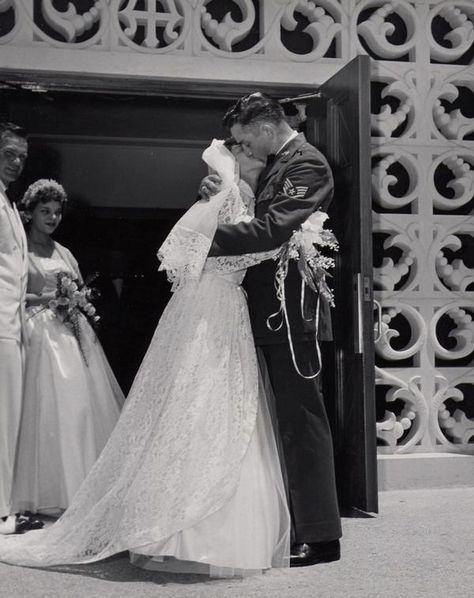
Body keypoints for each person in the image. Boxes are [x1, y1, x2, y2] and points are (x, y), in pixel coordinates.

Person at [0, 139, 290, 577]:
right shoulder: (231, 197)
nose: (261, 158)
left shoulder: (234, 197)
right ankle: (183, 531)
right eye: (251, 152)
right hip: (213, 306)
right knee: (202, 406)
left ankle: (191, 531)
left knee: (210, 408)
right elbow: (210, 251)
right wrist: (290, 239)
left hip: (220, 306)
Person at [200, 93, 342, 567]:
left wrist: (198, 235)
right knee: (276, 420)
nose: (244, 148)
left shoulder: (308, 165)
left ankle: (321, 536)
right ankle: (289, 524)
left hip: (291, 311)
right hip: (265, 309)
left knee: (301, 421)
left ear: (264, 127)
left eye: (244, 139)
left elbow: (272, 231)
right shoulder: (277, 163)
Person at [10, 179, 125, 515]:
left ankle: (76, 488)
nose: (52, 217)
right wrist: (50, 298)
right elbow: (13, 295)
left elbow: (80, 289)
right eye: (45, 211)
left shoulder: (65, 252)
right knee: (42, 410)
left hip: (68, 334)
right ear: (29, 213)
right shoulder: (21, 252)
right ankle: (36, 493)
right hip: (36, 334)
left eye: (57, 212)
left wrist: (76, 300)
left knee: (76, 408)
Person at [0, 122, 42, 535]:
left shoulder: (8, 202)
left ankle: (5, 507)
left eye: (21, 157)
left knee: (9, 416)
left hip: (12, 325)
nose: (16, 163)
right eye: (9, 154)